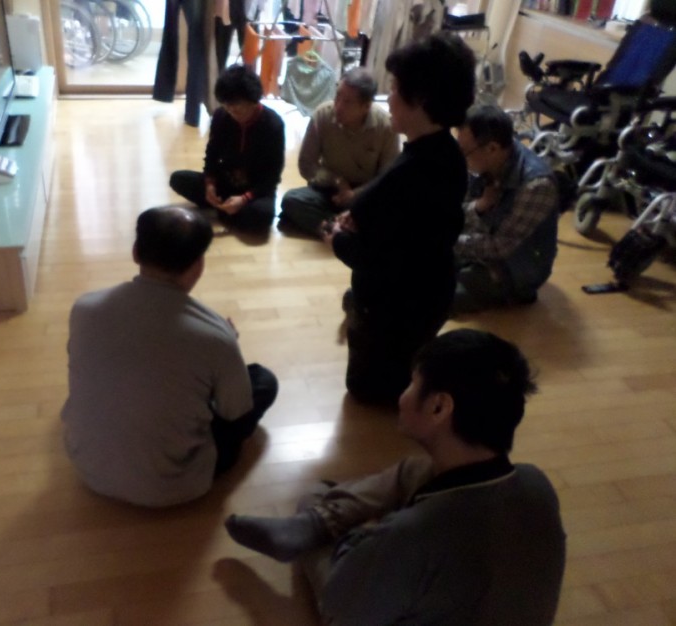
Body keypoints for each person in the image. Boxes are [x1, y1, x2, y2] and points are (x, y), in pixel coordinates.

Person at [225, 329, 567, 626]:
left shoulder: (412, 534)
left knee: (313, 495)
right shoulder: (536, 485)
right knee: (416, 470)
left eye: (412, 383)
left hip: (364, 593)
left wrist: (365, 538)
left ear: (438, 407)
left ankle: (311, 526)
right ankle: (313, 523)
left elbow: (343, 609)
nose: (403, 396)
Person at [61, 207, 278, 507]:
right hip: (176, 484)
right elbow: (235, 412)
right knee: (263, 382)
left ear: (135, 252)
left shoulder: (85, 307)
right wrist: (230, 348)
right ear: (199, 265)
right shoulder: (215, 335)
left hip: (89, 470)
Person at [323, 33, 475, 406]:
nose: (387, 98)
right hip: (429, 292)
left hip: (397, 306)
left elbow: (376, 257)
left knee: (365, 390)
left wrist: (336, 237)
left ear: (419, 99)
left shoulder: (408, 174)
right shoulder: (449, 154)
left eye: (393, 89)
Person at [453, 104, 560, 313]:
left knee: (435, 298)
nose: (460, 157)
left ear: (492, 148)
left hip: (515, 268)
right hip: (479, 245)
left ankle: (515, 294)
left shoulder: (537, 185)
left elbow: (501, 247)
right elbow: (461, 210)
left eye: (464, 152)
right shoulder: (486, 161)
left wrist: (446, 240)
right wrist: (478, 207)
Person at [278, 67, 398, 237]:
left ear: (366, 106)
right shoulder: (322, 115)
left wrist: (354, 194)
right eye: (337, 97)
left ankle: (332, 227)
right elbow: (306, 165)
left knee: (394, 213)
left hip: (365, 194)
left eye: (347, 102)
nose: (338, 106)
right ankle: (343, 228)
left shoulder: (385, 126)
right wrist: (336, 181)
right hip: (328, 189)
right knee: (291, 200)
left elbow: (387, 178)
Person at [170, 64, 285, 234]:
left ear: (253, 100)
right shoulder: (221, 116)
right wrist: (210, 184)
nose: (231, 109)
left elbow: (272, 176)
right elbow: (212, 154)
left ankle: (224, 210)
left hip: (255, 189)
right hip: (225, 181)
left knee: (262, 216)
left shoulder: (273, 124)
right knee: (179, 179)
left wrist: (245, 198)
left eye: (236, 104)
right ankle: (226, 209)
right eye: (226, 104)